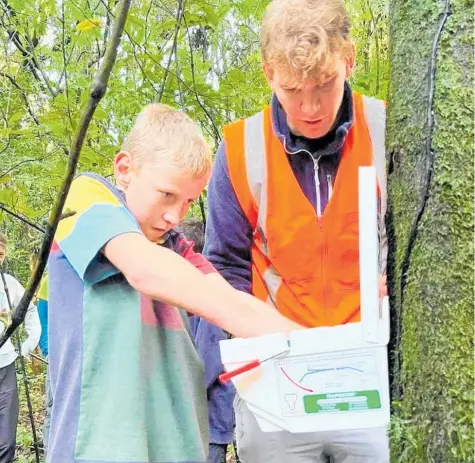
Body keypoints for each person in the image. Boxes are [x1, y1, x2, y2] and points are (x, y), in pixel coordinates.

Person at [45, 104, 303, 463]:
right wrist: (223, 304)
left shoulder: (175, 248)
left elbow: (233, 304)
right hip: (98, 444)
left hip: (172, 445)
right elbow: (142, 269)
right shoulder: (88, 200)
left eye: (187, 203)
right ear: (124, 169)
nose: (174, 216)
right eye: (166, 195)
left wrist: (310, 343)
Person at [203, 0, 389, 461]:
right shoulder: (240, 149)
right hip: (275, 387)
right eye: (292, 89)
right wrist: (247, 357)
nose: (309, 106)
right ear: (268, 73)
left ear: (349, 59)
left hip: (369, 378)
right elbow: (223, 267)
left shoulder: (388, 128)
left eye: (325, 85)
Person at [179, 217, 234, 463]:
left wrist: (182, 394)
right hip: (196, 418)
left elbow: (208, 360)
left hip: (208, 420)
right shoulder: (185, 294)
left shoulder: (211, 299)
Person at [0, 232, 41, 463]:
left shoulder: (9, 284)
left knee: (6, 440)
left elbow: (30, 310)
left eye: (1, 255)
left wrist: (27, 345)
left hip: (5, 366)